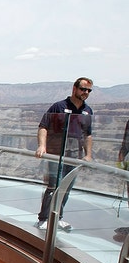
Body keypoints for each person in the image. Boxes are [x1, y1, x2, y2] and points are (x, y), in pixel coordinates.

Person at [34, 77, 94, 231]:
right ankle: (43, 218)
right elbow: (43, 126)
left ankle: (58, 217)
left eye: (89, 90)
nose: (86, 92)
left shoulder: (88, 111)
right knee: (53, 186)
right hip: (56, 153)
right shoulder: (59, 107)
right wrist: (42, 146)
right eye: (83, 89)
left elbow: (88, 134)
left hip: (74, 156)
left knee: (66, 188)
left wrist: (88, 155)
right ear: (74, 89)